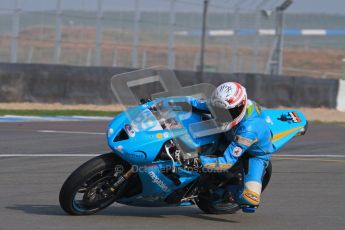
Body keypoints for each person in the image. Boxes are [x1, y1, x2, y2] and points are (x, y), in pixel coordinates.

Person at [195, 82, 275, 213]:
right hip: (230, 134)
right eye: (219, 111)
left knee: (249, 199)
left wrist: (198, 162)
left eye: (227, 112)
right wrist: (158, 103)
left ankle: (231, 193)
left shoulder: (248, 130)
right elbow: (195, 103)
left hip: (253, 153)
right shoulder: (223, 102)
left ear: (239, 107)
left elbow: (226, 162)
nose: (222, 115)